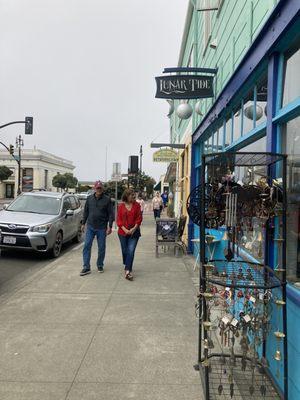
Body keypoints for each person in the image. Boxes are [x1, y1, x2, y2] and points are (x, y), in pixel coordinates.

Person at [80, 180, 114, 276]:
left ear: (102, 188)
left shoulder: (107, 200)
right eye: (97, 188)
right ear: (94, 188)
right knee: (87, 246)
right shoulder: (89, 198)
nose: (98, 189)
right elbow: (86, 211)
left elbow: (111, 214)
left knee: (101, 247)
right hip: (90, 226)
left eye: (100, 188)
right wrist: (83, 224)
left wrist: (110, 226)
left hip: (102, 228)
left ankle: (100, 264)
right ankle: (86, 267)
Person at [117, 189, 142, 280]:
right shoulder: (120, 206)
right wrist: (125, 229)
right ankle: (127, 263)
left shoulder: (137, 205)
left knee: (130, 251)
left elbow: (139, 218)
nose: (133, 196)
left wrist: (133, 229)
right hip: (122, 232)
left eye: (134, 194)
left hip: (134, 233)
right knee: (125, 251)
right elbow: (118, 220)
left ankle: (128, 271)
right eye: (131, 195)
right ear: (126, 196)